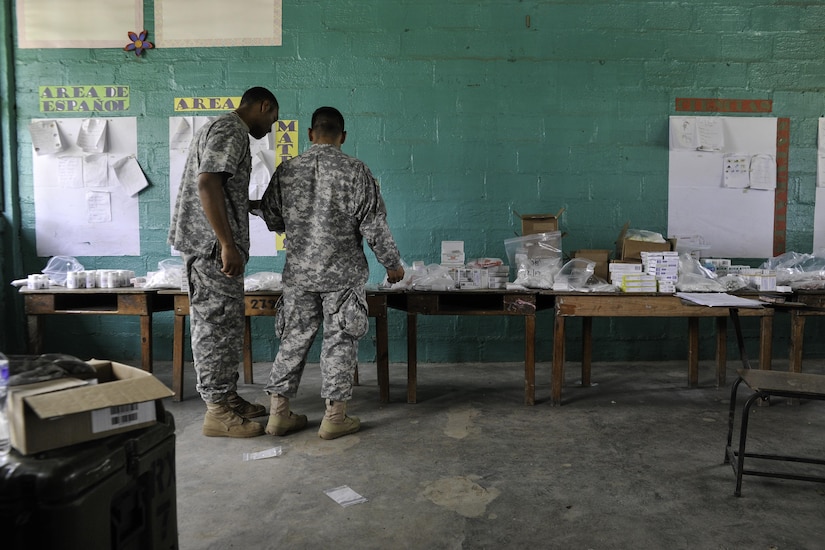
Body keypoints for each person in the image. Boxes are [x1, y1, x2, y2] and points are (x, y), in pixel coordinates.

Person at [255, 106, 404, 440]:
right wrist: (391, 264)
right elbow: (373, 224)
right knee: (339, 340)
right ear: (343, 136)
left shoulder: (287, 170)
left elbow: (272, 218)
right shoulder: (356, 171)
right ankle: (334, 417)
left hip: (300, 274)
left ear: (310, 134)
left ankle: (278, 415)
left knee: (293, 338)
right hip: (342, 275)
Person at [169, 87, 280, 438]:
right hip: (211, 249)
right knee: (214, 327)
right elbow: (206, 184)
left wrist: (253, 206)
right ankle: (216, 412)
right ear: (263, 106)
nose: (272, 127)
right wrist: (227, 243)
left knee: (227, 326)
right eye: (273, 118)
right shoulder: (232, 130)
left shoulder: (221, 128)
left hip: (212, 245)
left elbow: (220, 188)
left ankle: (226, 396)